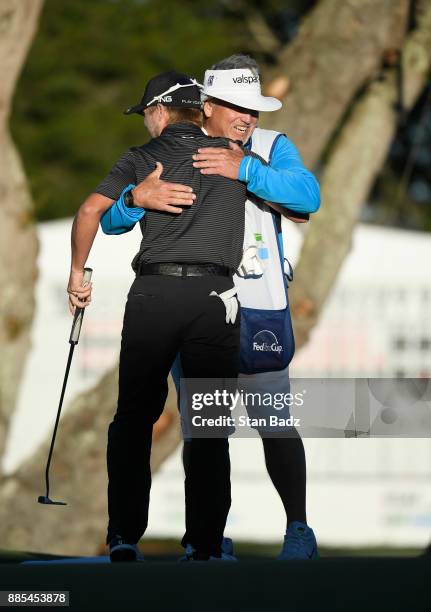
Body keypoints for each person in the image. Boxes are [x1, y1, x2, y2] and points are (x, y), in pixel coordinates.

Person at [99, 54, 321, 560]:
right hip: (198, 304)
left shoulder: (268, 146)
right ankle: (207, 537)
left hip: (260, 304)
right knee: (203, 423)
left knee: (273, 420)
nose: (249, 119)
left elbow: (307, 195)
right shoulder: (173, 144)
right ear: (207, 104)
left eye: (255, 110)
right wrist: (136, 199)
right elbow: (111, 218)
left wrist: (246, 169)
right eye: (239, 107)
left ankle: (298, 529)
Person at [67, 69, 282, 562]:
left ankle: (123, 535)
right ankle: (205, 543)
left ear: (160, 111)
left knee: (133, 419)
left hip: (154, 295)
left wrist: (78, 274)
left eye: (146, 113)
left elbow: (87, 214)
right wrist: (245, 170)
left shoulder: (143, 158)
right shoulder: (234, 157)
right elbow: (299, 203)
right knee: (208, 421)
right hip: (215, 300)